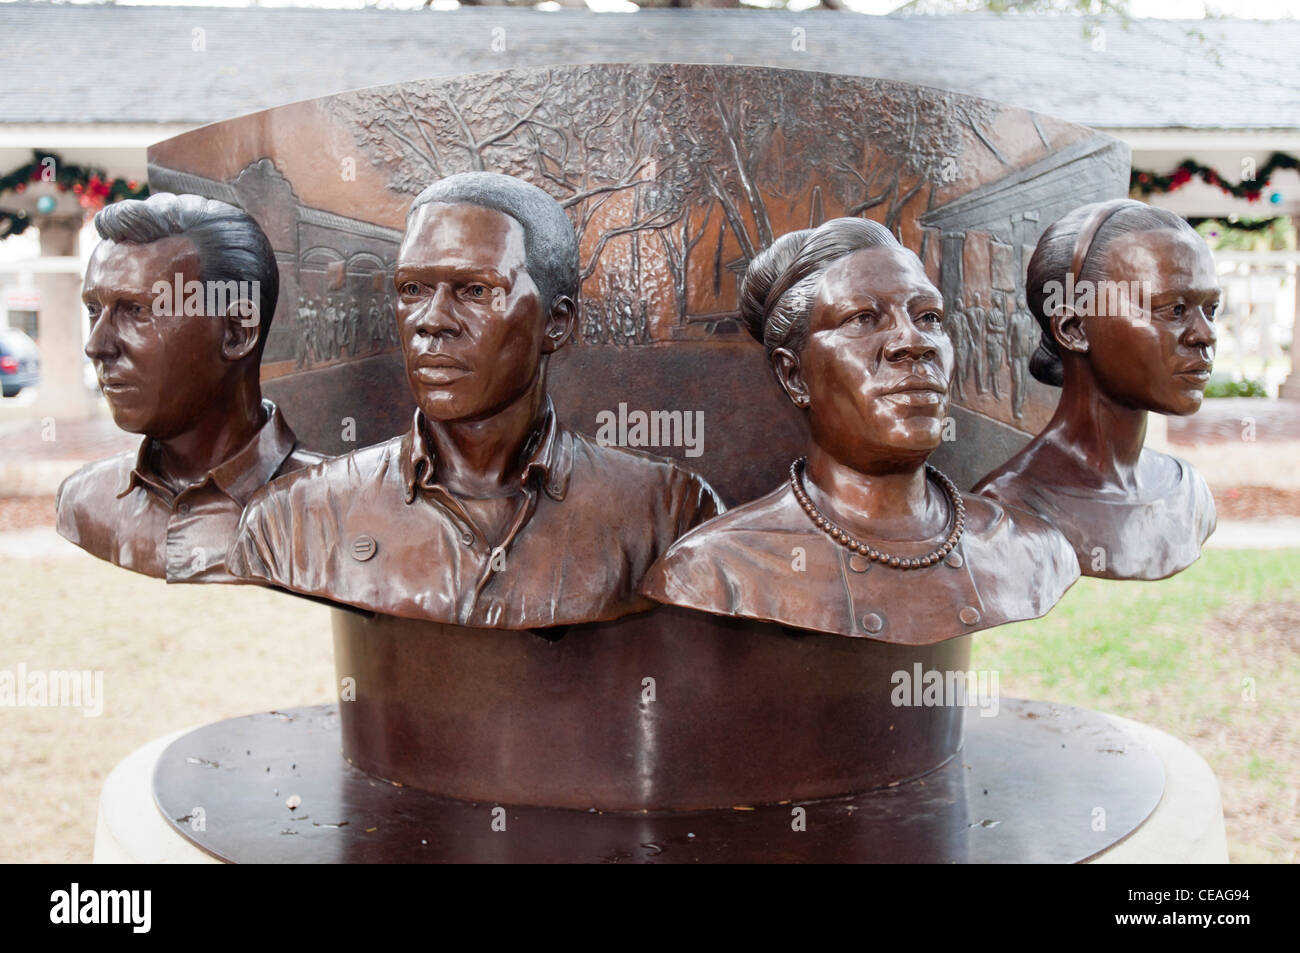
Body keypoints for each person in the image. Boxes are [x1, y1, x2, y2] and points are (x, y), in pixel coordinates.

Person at [229, 171, 722, 628]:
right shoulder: (293, 520)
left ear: (557, 321)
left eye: (475, 290)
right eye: (413, 288)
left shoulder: (670, 512)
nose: (431, 319)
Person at [641, 218, 1077, 644]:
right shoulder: (716, 569)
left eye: (928, 316)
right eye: (864, 318)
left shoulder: (1031, 548)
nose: (913, 341)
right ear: (794, 376)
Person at [56, 193, 321, 583]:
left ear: (235, 333)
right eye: (94, 310)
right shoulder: (83, 501)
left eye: (136, 311)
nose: (96, 345)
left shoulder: (333, 513)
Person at [974, 199, 1220, 580]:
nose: (1205, 334)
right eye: (1174, 310)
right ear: (1074, 329)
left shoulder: (1189, 495)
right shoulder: (1007, 514)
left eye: (1212, 309)